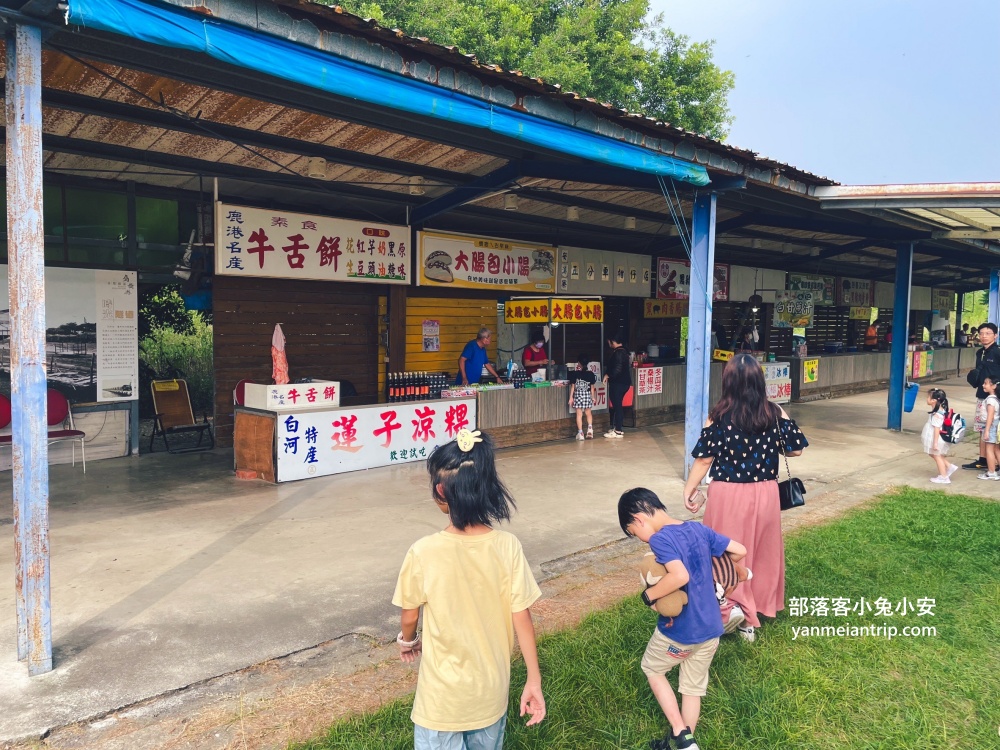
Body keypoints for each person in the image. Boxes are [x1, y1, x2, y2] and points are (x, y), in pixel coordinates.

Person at [392, 429, 545, 748]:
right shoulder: (507, 547)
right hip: (490, 696)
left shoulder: (423, 551)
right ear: (489, 489)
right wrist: (534, 678)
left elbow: (410, 616)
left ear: (440, 492)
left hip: (441, 701)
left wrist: (409, 641)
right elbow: (523, 618)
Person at [682, 353, 809, 642]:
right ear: (759, 381)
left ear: (728, 382)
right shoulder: (772, 412)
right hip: (765, 493)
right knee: (760, 552)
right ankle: (752, 616)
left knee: (725, 553)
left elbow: (704, 460)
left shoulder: (719, 415)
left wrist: (690, 488)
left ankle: (732, 609)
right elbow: (796, 450)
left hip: (728, 493)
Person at [618, 487, 747, 750]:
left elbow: (679, 577)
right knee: (691, 688)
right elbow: (739, 550)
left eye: (634, 533)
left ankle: (680, 733)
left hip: (682, 630)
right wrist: (728, 572)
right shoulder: (698, 529)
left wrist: (649, 595)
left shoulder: (660, 539)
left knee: (652, 669)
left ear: (639, 519)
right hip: (712, 626)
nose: (641, 539)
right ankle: (685, 745)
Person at [963, 322, 1000, 471]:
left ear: (995, 335)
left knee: (995, 429)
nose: (984, 336)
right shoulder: (980, 353)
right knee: (982, 428)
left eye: (988, 333)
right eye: (982, 333)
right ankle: (983, 460)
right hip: (981, 396)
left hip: (995, 397)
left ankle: (995, 462)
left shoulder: (997, 352)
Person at [923, 388, 958, 484]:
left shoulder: (937, 414)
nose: (927, 399)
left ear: (934, 400)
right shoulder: (939, 411)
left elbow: (936, 429)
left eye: (928, 397)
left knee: (937, 455)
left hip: (937, 439)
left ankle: (944, 477)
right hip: (937, 438)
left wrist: (935, 443)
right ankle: (949, 467)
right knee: (933, 454)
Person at [602, 332, 631, 439]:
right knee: (617, 406)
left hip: (618, 383)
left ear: (612, 341)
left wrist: (608, 375)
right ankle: (617, 427)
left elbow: (617, 369)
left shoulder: (618, 353)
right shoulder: (624, 351)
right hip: (624, 383)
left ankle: (618, 430)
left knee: (617, 406)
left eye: (609, 341)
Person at [569, 355, 597, 440]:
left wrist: (571, 398)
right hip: (587, 395)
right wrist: (593, 397)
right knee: (588, 413)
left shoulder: (575, 374)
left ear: (579, 363)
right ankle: (590, 429)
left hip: (578, 395)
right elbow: (592, 388)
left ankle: (580, 433)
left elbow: (573, 387)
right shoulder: (591, 374)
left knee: (579, 414)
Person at [979, 377, 1000, 481]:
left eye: (986, 383)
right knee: (996, 449)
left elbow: (990, 417)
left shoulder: (991, 400)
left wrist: (986, 431)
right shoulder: (996, 398)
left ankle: (991, 472)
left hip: (991, 427)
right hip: (995, 426)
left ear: (994, 386)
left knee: (989, 450)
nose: (983, 385)